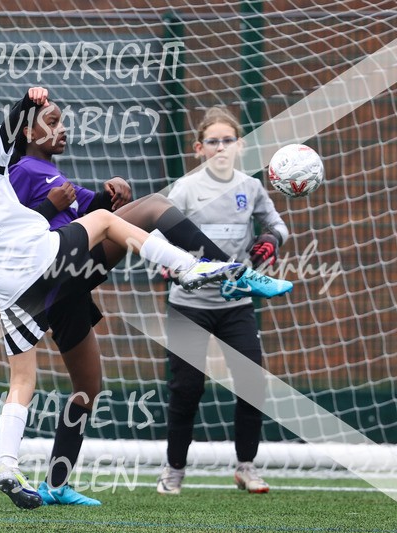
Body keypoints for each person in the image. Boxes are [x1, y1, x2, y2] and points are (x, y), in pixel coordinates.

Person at [0, 87, 242, 510]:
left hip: (10, 292)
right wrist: (29, 101)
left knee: (26, 381)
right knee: (110, 220)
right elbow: (10, 131)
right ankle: (189, 267)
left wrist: (91, 198)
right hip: (43, 263)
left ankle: (10, 467)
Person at [7, 100, 294, 505]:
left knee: (88, 387)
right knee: (157, 206)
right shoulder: (20, 170)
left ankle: (56, 484)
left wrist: (112, 194)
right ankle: (234, 273)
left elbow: (95, 212)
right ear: (27, 133)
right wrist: (47, 207)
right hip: (57, 270)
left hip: (69, 287)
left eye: (62, 121)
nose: (63, 128)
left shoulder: (51, 172)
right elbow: (10, 233)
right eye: (52, 122)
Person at [156, 106, 289, 496]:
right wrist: (171, 264)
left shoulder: (252, 187)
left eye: (227, 140)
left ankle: (246, 467)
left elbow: (277, 225)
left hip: (235, 305)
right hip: (189, 305)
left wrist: (270, 240)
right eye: (212, 141)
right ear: (199, 148)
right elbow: (157, 236)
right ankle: (173, 470)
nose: (220, 147)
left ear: (240, 146)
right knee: (187, 389)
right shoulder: (185, 189)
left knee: (252, 384)